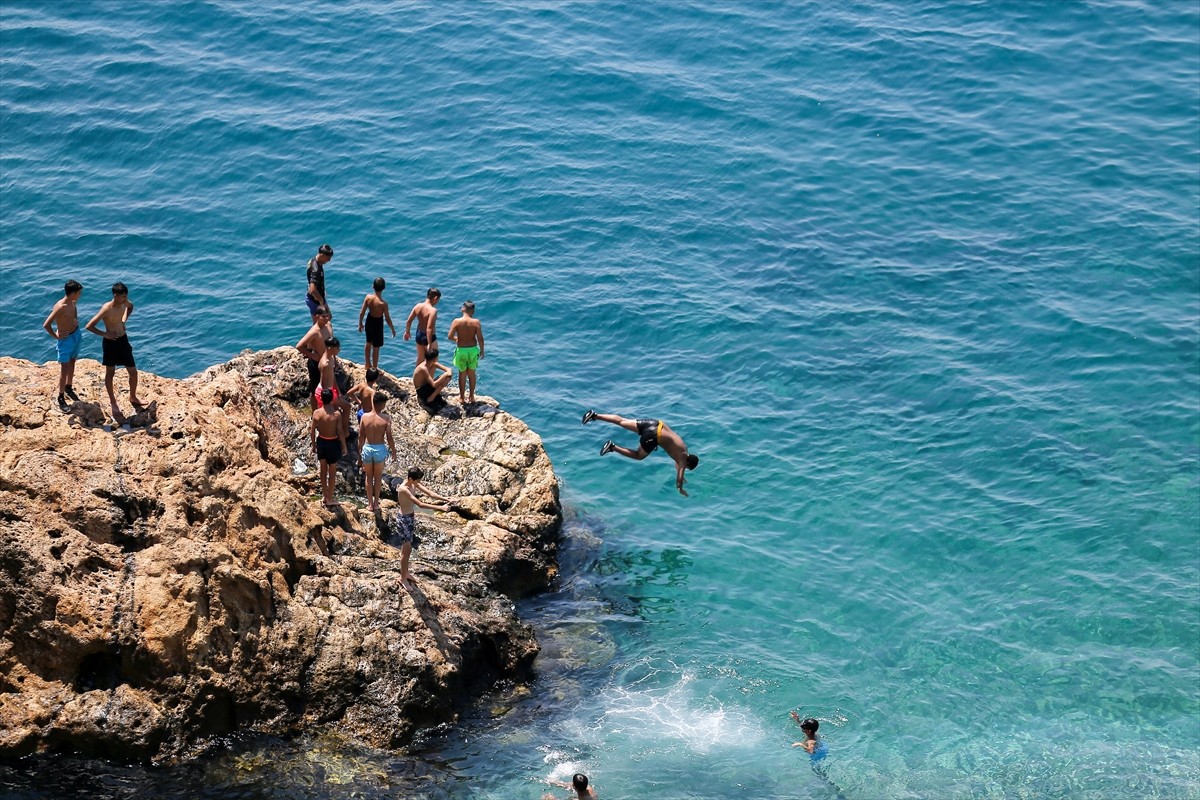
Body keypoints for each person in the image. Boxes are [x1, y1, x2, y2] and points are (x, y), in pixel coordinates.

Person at [582, 410, 700, 496]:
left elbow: (678, 465)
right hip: (653, 436)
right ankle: (612, 447)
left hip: (655, 424)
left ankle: (594, 415)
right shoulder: (683, 459)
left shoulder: (683, 448)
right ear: (688, 464)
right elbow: (679, 476)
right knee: (639, 456)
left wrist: (681, 473)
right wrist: (680, 489)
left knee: (622, 421)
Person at [85, 282, 146, 423]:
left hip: (123, 340)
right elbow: (89, 326)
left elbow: (131, 307)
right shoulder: (107, 308)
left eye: (126, 296)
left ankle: (133, 397)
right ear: (115, 296)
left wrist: (124, 320)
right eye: (123, 297)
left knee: (133, 371)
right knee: (110, 373)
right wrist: (105, 334)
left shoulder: (125, 303)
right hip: (110, 343)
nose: (125, 299)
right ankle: (113, 403)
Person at [388, 467, 452, 584]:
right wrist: (440, 508)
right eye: (417, 480)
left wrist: (446, 499)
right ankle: (402, 579)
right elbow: (420, 504)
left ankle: (406, 573)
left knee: (408, 549)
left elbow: (430, 493)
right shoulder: (403, 489)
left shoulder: (413, 484)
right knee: (406, 550)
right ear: (411, 478)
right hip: (403, 520)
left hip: (410, 517)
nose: (419, 482)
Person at [43, 279, 84, 408]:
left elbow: (74, 311)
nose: (80, 295)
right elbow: (46, 324)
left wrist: (75, 319)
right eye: (79, 293)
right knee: (64, 369)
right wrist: (57, 337)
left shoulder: (73, 302)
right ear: (73, 293)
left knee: (72, 362)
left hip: (76, 335)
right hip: (65, 340)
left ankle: (68, 387)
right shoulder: (60, 307)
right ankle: (60, 396)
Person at [358, 391, 396, 512]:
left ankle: (369, 504)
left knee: (368, 477)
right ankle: (376, 504)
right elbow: (389, 437)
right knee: (378, 477)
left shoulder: (364, 417)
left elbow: (361, 436)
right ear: (381, 404)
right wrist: (393, 450)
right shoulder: (386, 418)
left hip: (368, 448)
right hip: (379, 448)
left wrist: (359, 451)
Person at [310, 388, 347, 508]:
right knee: (332, 473)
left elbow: (312, 431)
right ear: (332, 399)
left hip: (321, 441)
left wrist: (314, 445)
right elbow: (340, 431)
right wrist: (344, 446)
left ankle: (325, 496)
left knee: (323, 471)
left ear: (320, 398)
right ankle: (330, 498)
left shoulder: (316, 413)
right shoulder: (336, 414)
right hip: (332, 443)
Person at [296, 306, 334, 410]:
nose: (326, 318)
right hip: (316, 363)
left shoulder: (329, 325)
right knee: (315, 389)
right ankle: (314, 413)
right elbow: (299, 346)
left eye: (327, 315)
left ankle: (327, 409)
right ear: (317, 316)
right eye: (323, 316)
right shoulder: (314, 331)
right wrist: (312, 355)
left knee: (328, 387)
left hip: (328, 361)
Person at [447, 300, 484, 404]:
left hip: (461, 350)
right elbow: (480, 338)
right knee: (472, 374)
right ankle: (472, 397)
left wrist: (457, 339)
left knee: (462, 373)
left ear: (463, 309)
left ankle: (462, 398)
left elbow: (449, 336)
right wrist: (482, 350)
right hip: (473, 350)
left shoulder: (456, 322)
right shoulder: (476, 322)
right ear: (473, 311)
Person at [316, 337, 353, 438]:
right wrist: (328, 400)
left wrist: (338, 391)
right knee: (347, 407)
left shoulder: (331, 358)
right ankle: (345, 433)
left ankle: (341, 432)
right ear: (329, 348)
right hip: (326, 392)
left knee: (339, 412)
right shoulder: (325, 364)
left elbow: (332, 376)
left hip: (331, 389)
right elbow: (323, 383)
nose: (339, 350)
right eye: (337, 348)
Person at [357, 277, 395, 371]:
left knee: (368, 342)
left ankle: (367, 364)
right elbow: (387, 318)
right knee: (376, 347)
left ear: (372, 286)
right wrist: (392, 329)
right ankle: (374, 367)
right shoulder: (383, 304)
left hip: (369, 321)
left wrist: (360, 323)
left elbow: (362, 312)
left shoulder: (368, 298)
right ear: (384, 288)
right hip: (378, 324)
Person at [403, 287, 441, 366]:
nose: (437, 302)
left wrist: (407, 331)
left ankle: (416, 377)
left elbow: (409, 321)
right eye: (438, 300)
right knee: (434, 360)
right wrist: (429, 343)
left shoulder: (418, 306)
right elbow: (429, 328)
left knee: (420, 358)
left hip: (419, 334)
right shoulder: (432, 310)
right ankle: (429, 378)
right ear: (435, 298)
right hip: (429, 337)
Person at [413, 345, 453, 414]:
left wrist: (448, 372)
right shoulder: (423, 368)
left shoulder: (432, 363)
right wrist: (445, 374)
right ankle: (430, 398)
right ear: (434, 358)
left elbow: (448, 369)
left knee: (447, 378)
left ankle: (432, 397)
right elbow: (434, 385)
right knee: (445, 377)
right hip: (421, 390)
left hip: (427, 386)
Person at [305, 243, 334, 321]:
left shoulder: (313, 260)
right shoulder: (316, 269)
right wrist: (321, 301)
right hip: (315, 300)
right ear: (322, 255)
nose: (329, 260)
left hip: (316, 297)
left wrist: (322, 290)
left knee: (328, 318)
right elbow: (312, 289)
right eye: (328, 258)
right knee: (319, 324)